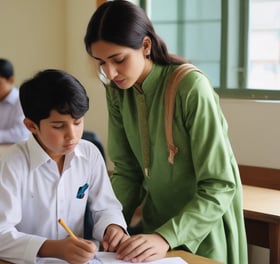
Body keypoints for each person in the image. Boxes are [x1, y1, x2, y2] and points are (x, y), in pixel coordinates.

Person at [84, 1, 248, 264]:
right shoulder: (117, 91)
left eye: (118, 60)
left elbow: (219, 185)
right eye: (101, 63)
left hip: (202, 232)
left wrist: (166, 237)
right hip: (152, 234)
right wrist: (111, 223)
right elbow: (127, 172)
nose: (110, 73)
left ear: (146, 46)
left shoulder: (192, 87)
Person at [0, 69, 128, 263]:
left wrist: (113, 227)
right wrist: (52, 248)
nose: (72, 135)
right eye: (59, 126)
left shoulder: (89, 154)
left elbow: (105, 208)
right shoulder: (13, 162)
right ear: (31, 126)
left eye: (77, 122)